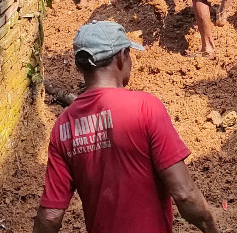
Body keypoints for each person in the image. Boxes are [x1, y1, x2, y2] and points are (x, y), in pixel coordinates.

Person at [35, 21, 220, 233]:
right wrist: (211, 228)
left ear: (80, 66)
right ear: (122, 56)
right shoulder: (145, 108)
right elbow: (184, 194)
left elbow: (50, 215)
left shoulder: (63, 126)